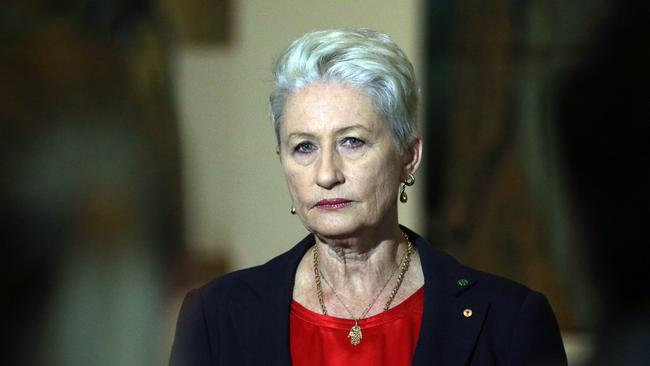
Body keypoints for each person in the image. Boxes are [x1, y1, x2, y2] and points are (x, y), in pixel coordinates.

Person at [169, 28, 567, 366]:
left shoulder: (508, 320)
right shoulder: (215, 316)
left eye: (352, 142)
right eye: (304, 147)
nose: (326, 174)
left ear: (408, 156)